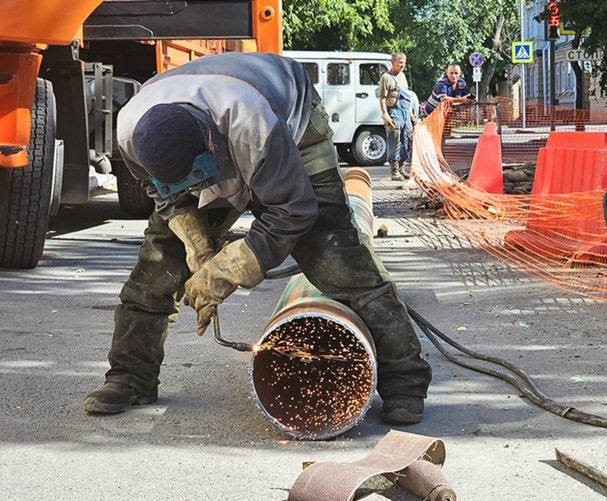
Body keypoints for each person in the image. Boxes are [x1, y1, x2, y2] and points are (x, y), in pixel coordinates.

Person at [82, 52, 432, 425]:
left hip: (294, 131)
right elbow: (163, 198)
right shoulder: (130, 130)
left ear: (211, 146)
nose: (201, 190)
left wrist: (229, 269)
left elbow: (294, 210)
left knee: (338, 260)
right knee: (158, 267)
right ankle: (130, 375)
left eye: (199, 178)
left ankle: (404, 380)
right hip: (214, 132)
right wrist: (198, 247)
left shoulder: (253, 124)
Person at [378, 52, 414, 181]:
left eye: (404, 63)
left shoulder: (403, 76)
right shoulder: (386, 77)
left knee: (406, 140)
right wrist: (385, 115)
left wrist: (410, 114)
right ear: (392, 63)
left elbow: (406, 95)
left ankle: (402, 169)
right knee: (395, 140)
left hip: (405, 113)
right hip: (393, 112)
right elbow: (382, 98)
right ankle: (394, 171)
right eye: (399, 63)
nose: (402, 65)